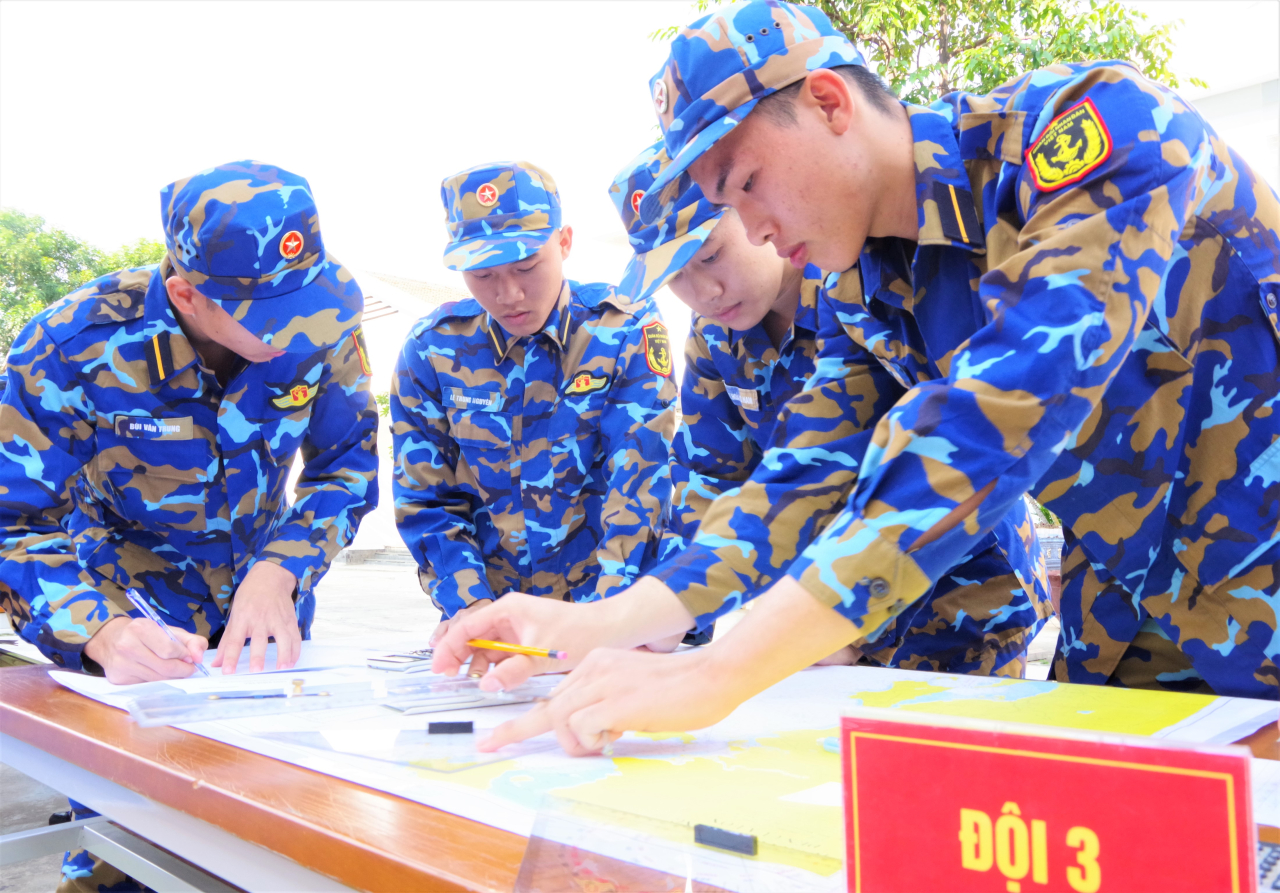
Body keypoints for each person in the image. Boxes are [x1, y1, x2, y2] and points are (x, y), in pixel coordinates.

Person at [436, 0, 1280, 755]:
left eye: (748, 184)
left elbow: (997, 417)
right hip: (1132, 620)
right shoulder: (865, 282)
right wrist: (600, 622)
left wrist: (722, 671)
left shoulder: (1090, 130)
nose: (754, 232)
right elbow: (801, 476)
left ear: (829, 102)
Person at [0, 160, 377, 889]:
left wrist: (282, 568)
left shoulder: (318, 314)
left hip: (266, 629)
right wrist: (97, 630)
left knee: (280, 839)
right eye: (268, 316)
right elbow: (12, 519)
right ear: (186, 295)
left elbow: (347, 463)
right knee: (128, 843)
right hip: (129, 627)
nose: (295, 333)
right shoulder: (71, 346)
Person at [610, 140, 1050, 672]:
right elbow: (711, 480)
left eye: (708, 256)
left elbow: (944, 464)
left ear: (752, 210)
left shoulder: (858, 285)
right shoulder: (714, 340)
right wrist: (668, 611)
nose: (703, 291)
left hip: (964, 591)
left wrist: (846, 630)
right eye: (674, 276)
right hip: (826, 615)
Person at [391, 161, 677, 672]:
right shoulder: (432, 349)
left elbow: (638, 486)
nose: (509, 294)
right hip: (495, 632)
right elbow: (427, 500)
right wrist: (471, 610)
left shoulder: (623, 331)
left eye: (526, 267)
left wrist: (604, 623)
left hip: (614, 621)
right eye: (483, 275)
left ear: (564, 242)